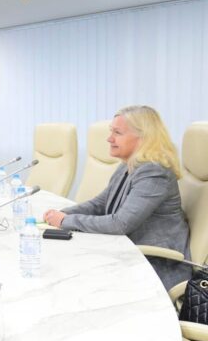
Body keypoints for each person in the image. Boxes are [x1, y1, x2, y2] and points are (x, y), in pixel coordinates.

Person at [43, 105, 191, 290]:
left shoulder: (154, 172)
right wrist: (61, 214)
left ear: (143, 138)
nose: (109, 138)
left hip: (156, 265)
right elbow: (100, 203)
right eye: (111, 131)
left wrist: (65, 221)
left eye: (117, 133)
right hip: (129, 253)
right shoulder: (129, 164)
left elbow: (121, 223)